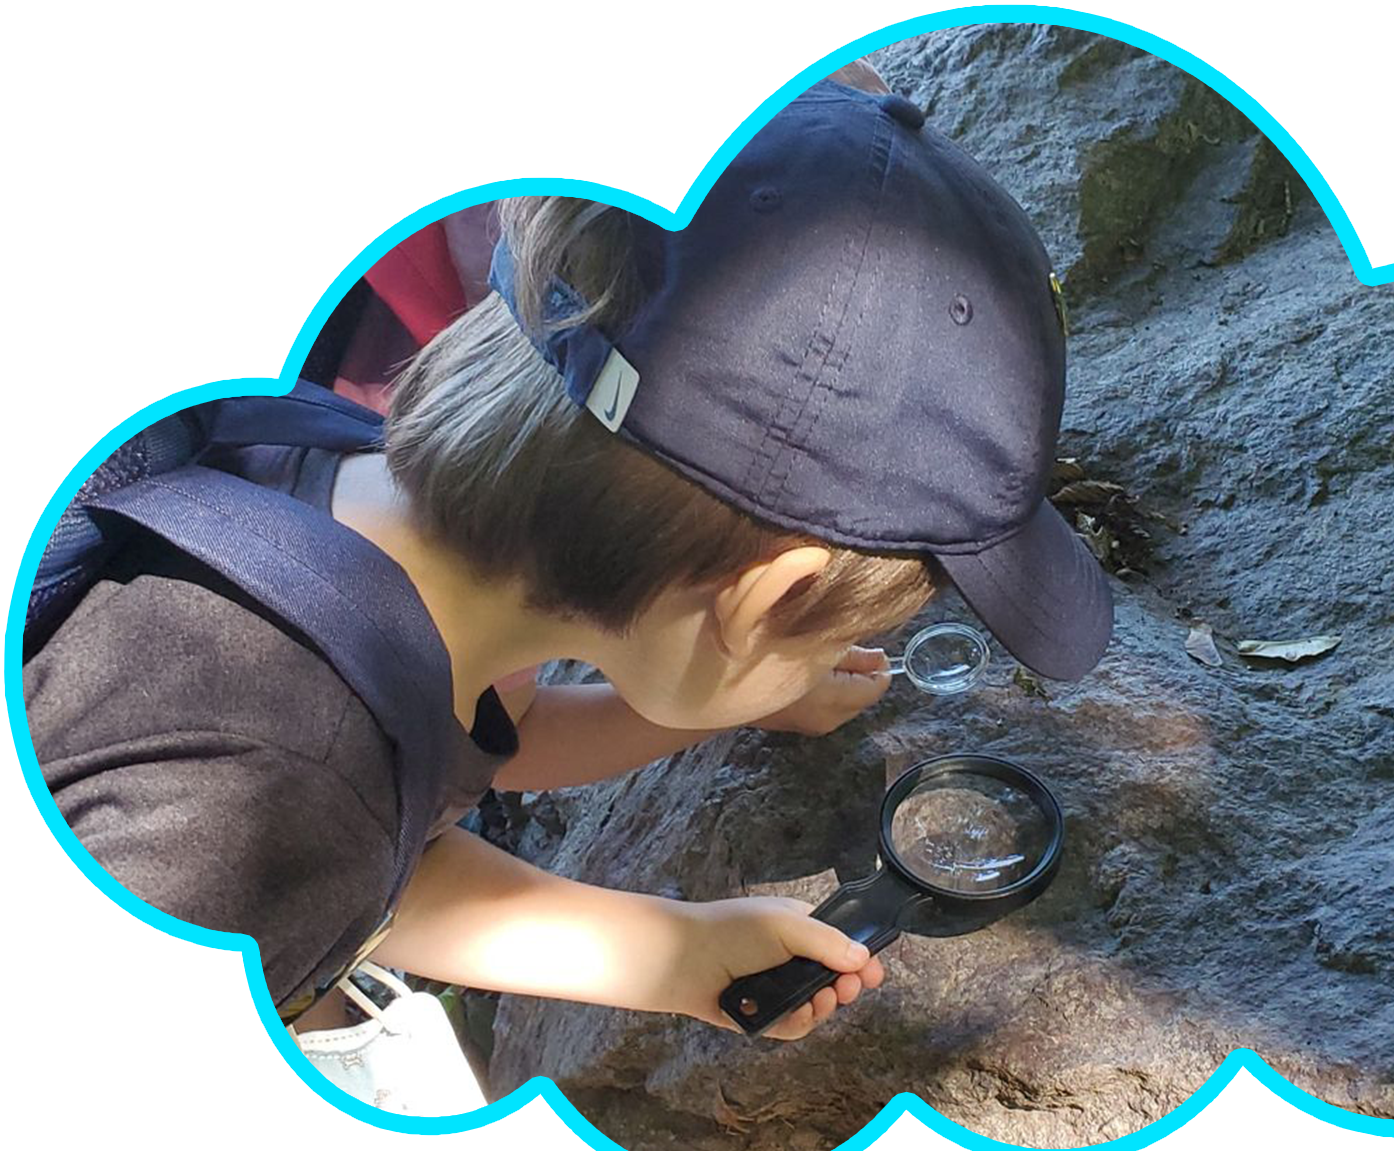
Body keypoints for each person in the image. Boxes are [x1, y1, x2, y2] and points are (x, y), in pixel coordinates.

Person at [24, 64, 1112, 1071]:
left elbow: (443, 792)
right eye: (816, 635)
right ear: (759, 600)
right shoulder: (251, 804)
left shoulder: (342, 481)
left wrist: (666, 951)